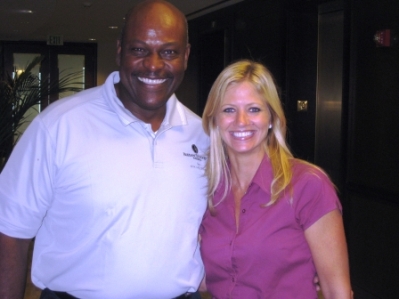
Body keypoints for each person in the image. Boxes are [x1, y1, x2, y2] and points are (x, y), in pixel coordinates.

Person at [0, 1, 208, 298]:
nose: (153, 64)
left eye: (169, 52)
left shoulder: (204, 137)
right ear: (120, 50)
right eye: (139, 49)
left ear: (185, 56)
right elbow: (10, 230)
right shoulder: (60, 126)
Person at [199, 60, 352, 298]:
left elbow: (337, 291)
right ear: (214, 120)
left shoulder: (307, 185)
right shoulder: (207, 192)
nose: (241, 121)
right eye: (229, 110)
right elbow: (203, 279)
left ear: (271, 118)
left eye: (254, 109)